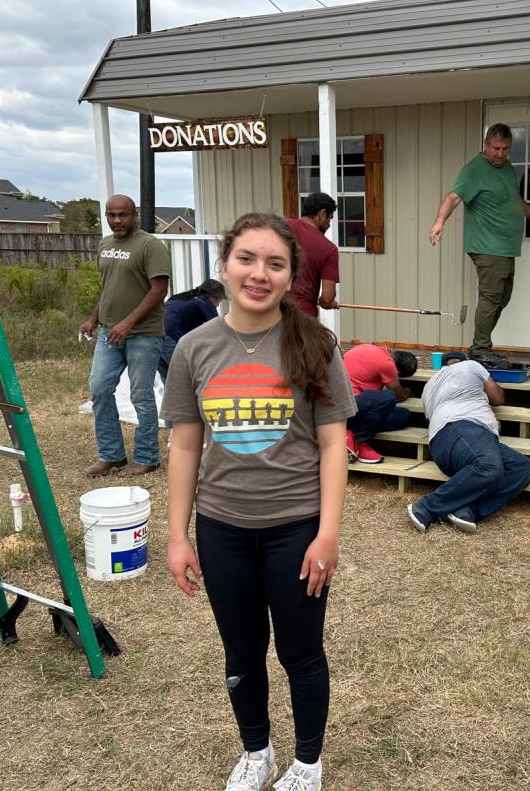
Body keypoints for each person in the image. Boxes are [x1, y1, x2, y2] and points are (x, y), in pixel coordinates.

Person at [161, 211, 356, 791]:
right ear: (224, 264)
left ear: (291, 276)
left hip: (296, 529)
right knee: (241, 653)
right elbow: (185, 445)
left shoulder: (316, 345)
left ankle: (307, 765)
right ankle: (258, 754)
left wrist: (327, 534)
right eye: (246, 259)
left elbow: (334, 446)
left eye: (275, 263)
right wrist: (178, 535)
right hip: (222, 529)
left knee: (301, 653)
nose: (259, 274)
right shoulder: (194, 349)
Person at [428, 123, 530, 360]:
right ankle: (481, 349)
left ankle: (480, 345)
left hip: (506, 247)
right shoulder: (475, 170)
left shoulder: (507, 168)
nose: (500, 153)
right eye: (496, 148)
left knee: (502, 297)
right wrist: (439, 222)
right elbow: (453, 197)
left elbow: (513, 199)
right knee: (491, 297)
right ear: (486, 145)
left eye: (505, 148)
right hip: (487, 245)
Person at [79, 194, 170, 477]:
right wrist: (93, 318)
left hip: (143, 334)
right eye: (111, 215)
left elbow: (159, 290)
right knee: (100, 389)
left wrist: (128, 323)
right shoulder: (105, 245)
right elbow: (109, 287)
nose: (117, 220)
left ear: (135, 215)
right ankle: (111, 456)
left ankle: (146, 458)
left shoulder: (150, 246)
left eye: (123, 215)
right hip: (109, 333)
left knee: (141, 396)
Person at [407, 351, 530, 534]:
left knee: (522, 467)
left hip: (443, 446)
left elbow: (430, 419)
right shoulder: (471, 366)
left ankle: (467, 510)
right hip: (463, 428)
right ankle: (426, 507)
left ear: (443, 366)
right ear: (462, 361)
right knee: (489, 466)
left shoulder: (429, 386)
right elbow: (498, 398)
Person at [342, 344, 418, 464]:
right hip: (346, 407)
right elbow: (398, 395)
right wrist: (407, 391)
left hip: (351, 408)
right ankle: (362, 442)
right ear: (398, 371)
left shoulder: (373, 349)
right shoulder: (387, 363)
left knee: (403, 415)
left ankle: (350, 431)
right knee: (389, 397)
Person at [158, 278, 226, 382]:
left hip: (154, 337)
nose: (217, 305)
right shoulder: (204, 302)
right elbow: (218, 328)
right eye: (219, 301)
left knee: (170, 382)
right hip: (169, 338)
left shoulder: (181, 298)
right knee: (191, 376)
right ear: (213, 297)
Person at [287, 192, 340, 316]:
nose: (329, 224)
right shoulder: (329, 249)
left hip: (270, 312)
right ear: (322, 214)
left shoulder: (280, 228)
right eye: (330, 218)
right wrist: (326, 303)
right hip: (303, 318)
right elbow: (327, 298)